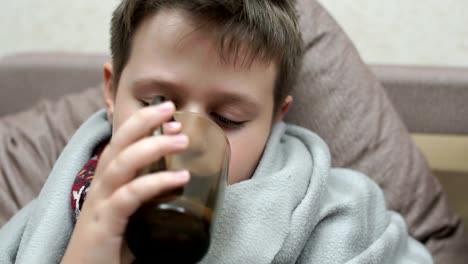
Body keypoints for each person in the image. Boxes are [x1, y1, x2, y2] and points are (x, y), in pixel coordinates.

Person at [0, 0, 433, 263]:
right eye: (155, 105)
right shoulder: (54, 212)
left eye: (227, 119)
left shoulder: (336, 212)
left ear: (275, 119)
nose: (185, 138)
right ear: (112, 93)